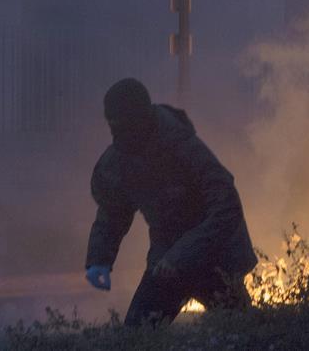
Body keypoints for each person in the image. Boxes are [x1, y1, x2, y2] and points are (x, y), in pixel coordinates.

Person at [84, 78, 257, 327]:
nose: (119, 136)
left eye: (125, 127)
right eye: (114, 127)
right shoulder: (119, 160)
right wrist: (99, 259)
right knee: (138, 335)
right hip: (166, 259)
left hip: (215, 257)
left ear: (141, 120)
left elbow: (226, 206)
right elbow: (113, 210)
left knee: (244, 335)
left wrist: (181, 255)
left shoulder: (182, 146)